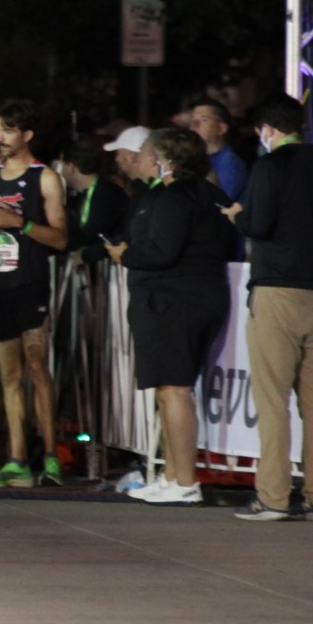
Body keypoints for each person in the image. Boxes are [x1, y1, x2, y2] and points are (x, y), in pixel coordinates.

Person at [227, 95, 313, 521]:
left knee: (273, 399)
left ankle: (273, 497)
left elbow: (258, 225)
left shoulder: (270, 167)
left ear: (268, 128)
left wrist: (237, 215)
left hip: (277, 291)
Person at [110, 128, 234, 508]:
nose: (142, 158)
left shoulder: (172, 197)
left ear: (164, 157)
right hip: (196, 296)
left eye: (148, 152)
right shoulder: (209, 194)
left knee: (174, 388)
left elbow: (161, 251)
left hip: (174, 300)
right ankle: (172, 476)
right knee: (169, 388)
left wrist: (124, 255)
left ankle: (185, 481)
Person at [0, 102, 69, 488]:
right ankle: (17, 460)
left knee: (36, 367)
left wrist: (21, 222)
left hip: (30, 282)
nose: (1, 137)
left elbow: (61, 238)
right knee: (8, 375)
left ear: (26, 136)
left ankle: (50, 456)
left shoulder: (44, 177)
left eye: (8, 130)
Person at [188, 101, 248, 204]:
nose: (194, 126)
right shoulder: (195, 158)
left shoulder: (230, 163)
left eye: (204, 120)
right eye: (193, 120)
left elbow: (219, 203)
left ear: (222, 128)